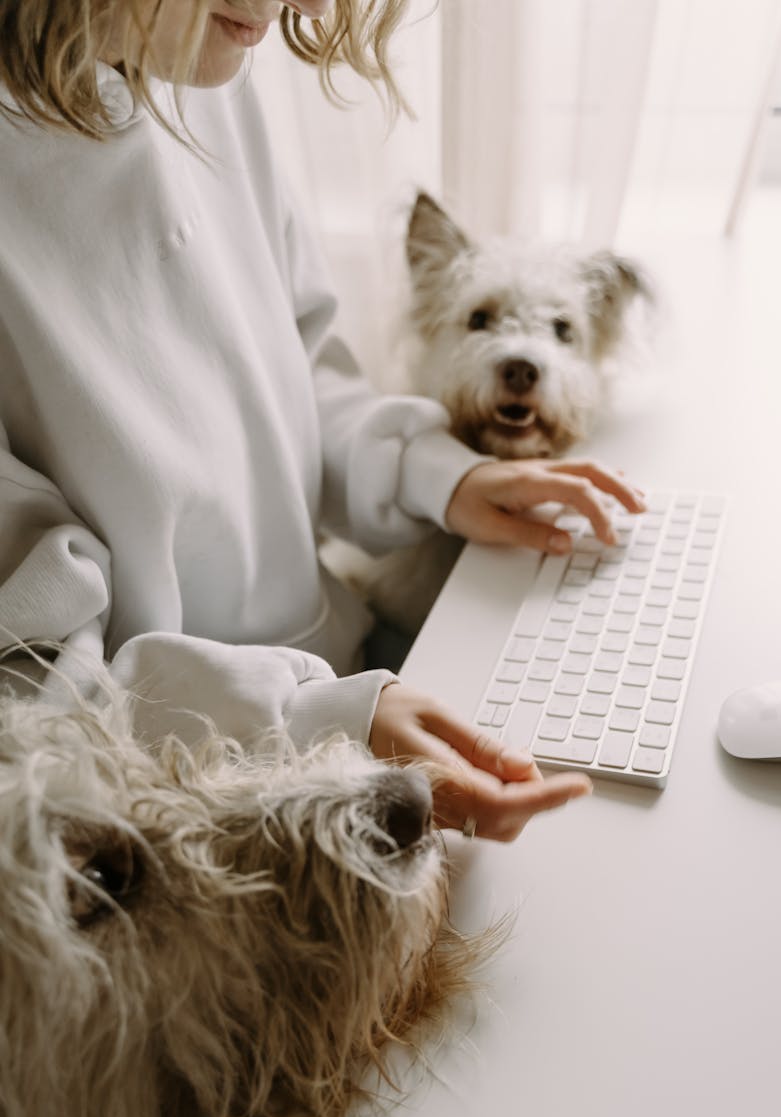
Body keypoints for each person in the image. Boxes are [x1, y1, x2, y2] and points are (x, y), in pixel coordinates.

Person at [0, 0, 645, 840]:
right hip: (175, 804)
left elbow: (299, 375)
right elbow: (27, 681)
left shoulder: (196, 68)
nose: (301, 7)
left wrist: (441, 474)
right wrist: (311, 719)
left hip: (344, 678)